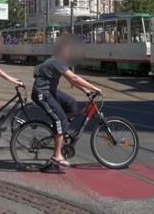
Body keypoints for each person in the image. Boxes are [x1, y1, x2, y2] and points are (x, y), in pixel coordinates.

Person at [32, 35, 102, 167]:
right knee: (61, 119)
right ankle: (56, 155)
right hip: (42, 93)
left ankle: (60, 130)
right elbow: (74, 78)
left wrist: (86, 91)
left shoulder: (59, 61)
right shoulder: (56, 61)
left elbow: (71, 80)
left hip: (50, 91)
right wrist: (94, 88)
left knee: (71, 103)